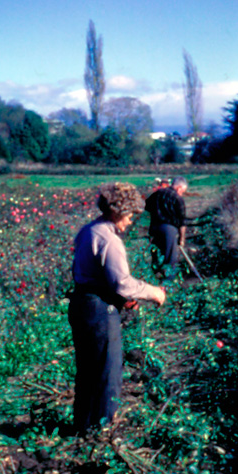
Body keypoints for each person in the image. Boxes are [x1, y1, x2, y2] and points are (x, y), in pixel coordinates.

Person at [68, 182, 166, 435]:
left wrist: (119, 297)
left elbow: (93, 275)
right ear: (117, 211)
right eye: (130, 215)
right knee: (108, 371)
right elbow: (122, 283)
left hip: (82, 303)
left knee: (88, 369)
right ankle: (102, 430)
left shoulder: (89, 230)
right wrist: (153, 292)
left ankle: (84, 426)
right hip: (99, 309)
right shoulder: (109, 240)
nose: (131, 221)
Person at [145, 176, 188, 277]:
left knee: (156, 255)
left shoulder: (157, 194)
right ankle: (168, 283)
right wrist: (182, 239)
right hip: (169, 230)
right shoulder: (178, 199)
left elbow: (147, 207)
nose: (182, 193)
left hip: (154, 227)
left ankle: (155, 278)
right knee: (170, 258)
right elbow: (182, 222)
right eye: (183, 191)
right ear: (179, 188)